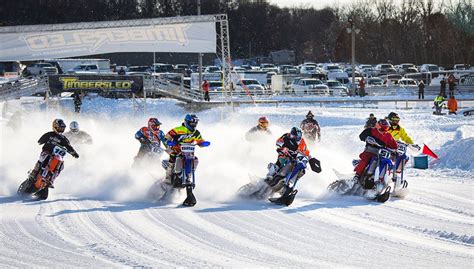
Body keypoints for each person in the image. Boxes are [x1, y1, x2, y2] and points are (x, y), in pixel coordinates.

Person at [346, 119, 398, 190]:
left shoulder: (388, 135)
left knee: (389, 163)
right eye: (383, 128)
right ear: (378, 126)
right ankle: (357, 176)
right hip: (370, 151)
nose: (384, 130)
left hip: (382, 153)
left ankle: (386, 181)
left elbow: (394, 145)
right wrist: (367, 138)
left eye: (386, 128)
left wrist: (396, 150)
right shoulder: (371, 130)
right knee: (365, 160)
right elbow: (362, 136)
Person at [25, 119, 79, 187]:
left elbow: (69, 146)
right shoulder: (49, 134)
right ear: (55, 127)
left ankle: (52, 179)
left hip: (57, 155)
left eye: (62, 128)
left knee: (61, 164)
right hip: (47, 152)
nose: (61, 130)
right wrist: (46, 141)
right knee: (44, 156)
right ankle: (34, 172)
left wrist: (74, 153)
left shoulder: (63, 139)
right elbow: (40, 141)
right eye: (59, 128)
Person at [163, 114, 207, 183]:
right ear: (187, 122)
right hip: (176, 149)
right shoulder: (177, 130)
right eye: (192, 123)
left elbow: (200, 140)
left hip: (188, 151)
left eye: (195, 123)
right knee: (173, 155)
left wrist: (203, 143)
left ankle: (189, 176)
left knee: (195, 160)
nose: (193, 125)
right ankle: (168, 175)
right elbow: (167, 136)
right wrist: (169, 141)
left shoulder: (196, 132)